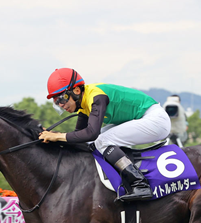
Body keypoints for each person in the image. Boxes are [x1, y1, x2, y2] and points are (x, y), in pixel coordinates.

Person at [39, 68, 171, 201]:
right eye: (57, 102)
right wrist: (53, 136)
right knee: (93, 142)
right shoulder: (84, 104)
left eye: (62, 98)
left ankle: (140, 184)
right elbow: (79, 137)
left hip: (155, 120)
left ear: (77, 91)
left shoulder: (96, 97)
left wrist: (57, 136)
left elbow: (92, 133)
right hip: (142, 118)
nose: (61, 105)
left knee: (102, 140)